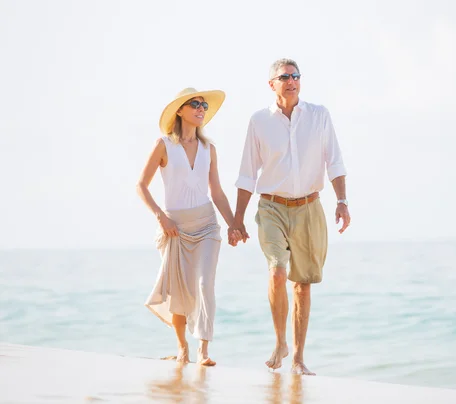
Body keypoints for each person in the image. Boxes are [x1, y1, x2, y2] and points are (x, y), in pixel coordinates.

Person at [231, 58, 351, 375]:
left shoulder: (319, 116)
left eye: (296, 76)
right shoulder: (259, 121)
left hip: (310, 207)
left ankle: (298, 359)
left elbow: (335, 162)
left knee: (302, 285)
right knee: (276, 272)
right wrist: (237, 219)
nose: (291, 81)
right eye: (284, 76)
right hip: (271, 206)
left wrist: (342, 200)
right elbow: (246, 174)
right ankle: (280, 342)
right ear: (271, 84)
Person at [136, 87, 240, 365]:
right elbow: (141, 186)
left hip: (206, 225)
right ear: (179, 110)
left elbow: (216, 192)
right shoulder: (164, 145)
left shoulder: (209, 149)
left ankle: (204, 350)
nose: (201, 109)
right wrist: (160, 216)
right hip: (175, 229)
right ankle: (182, 348)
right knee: (179, 293)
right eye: (195, 104)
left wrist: (234, 224)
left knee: (205, 284)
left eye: (204, 105)